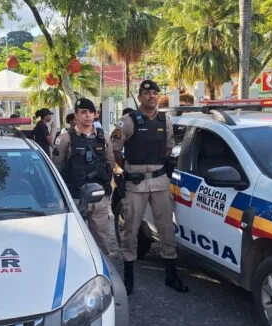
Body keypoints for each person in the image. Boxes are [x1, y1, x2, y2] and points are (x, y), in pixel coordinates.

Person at [111, 80, 188, 295]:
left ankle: (171, 275)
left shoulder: (166, 120)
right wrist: (125, 168)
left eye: (155, 93)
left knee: (166, 228)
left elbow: (169, 148)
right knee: (130, 229)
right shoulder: (127, 121)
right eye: (147, 93)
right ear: (140, 96)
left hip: (160, 181)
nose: (152, 96)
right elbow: (114, 148)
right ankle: (128, 277)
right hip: (136, 182)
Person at [51, 98, 114, 254]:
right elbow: (57, 165)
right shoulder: (66, 137)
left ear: (95, 115)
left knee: (101, 240)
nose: (87, 116)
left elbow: (110, 163)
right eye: (83, 112)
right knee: (75, 241)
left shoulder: (103, 137)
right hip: (76, 197)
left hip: (99, 197)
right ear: (76, 116)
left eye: (90, 112)